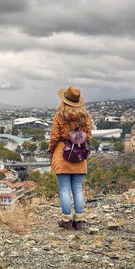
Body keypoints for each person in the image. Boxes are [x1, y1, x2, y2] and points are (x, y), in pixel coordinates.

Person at [48, 86, 92, 230]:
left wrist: (51, 150)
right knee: (78, 188)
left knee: (64, 188)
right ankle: (78, 220)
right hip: (79, 155)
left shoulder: (59, 116)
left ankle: (66, 220)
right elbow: (89, 137)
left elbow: (54, 137)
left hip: (62, 154)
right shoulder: (85, 117)